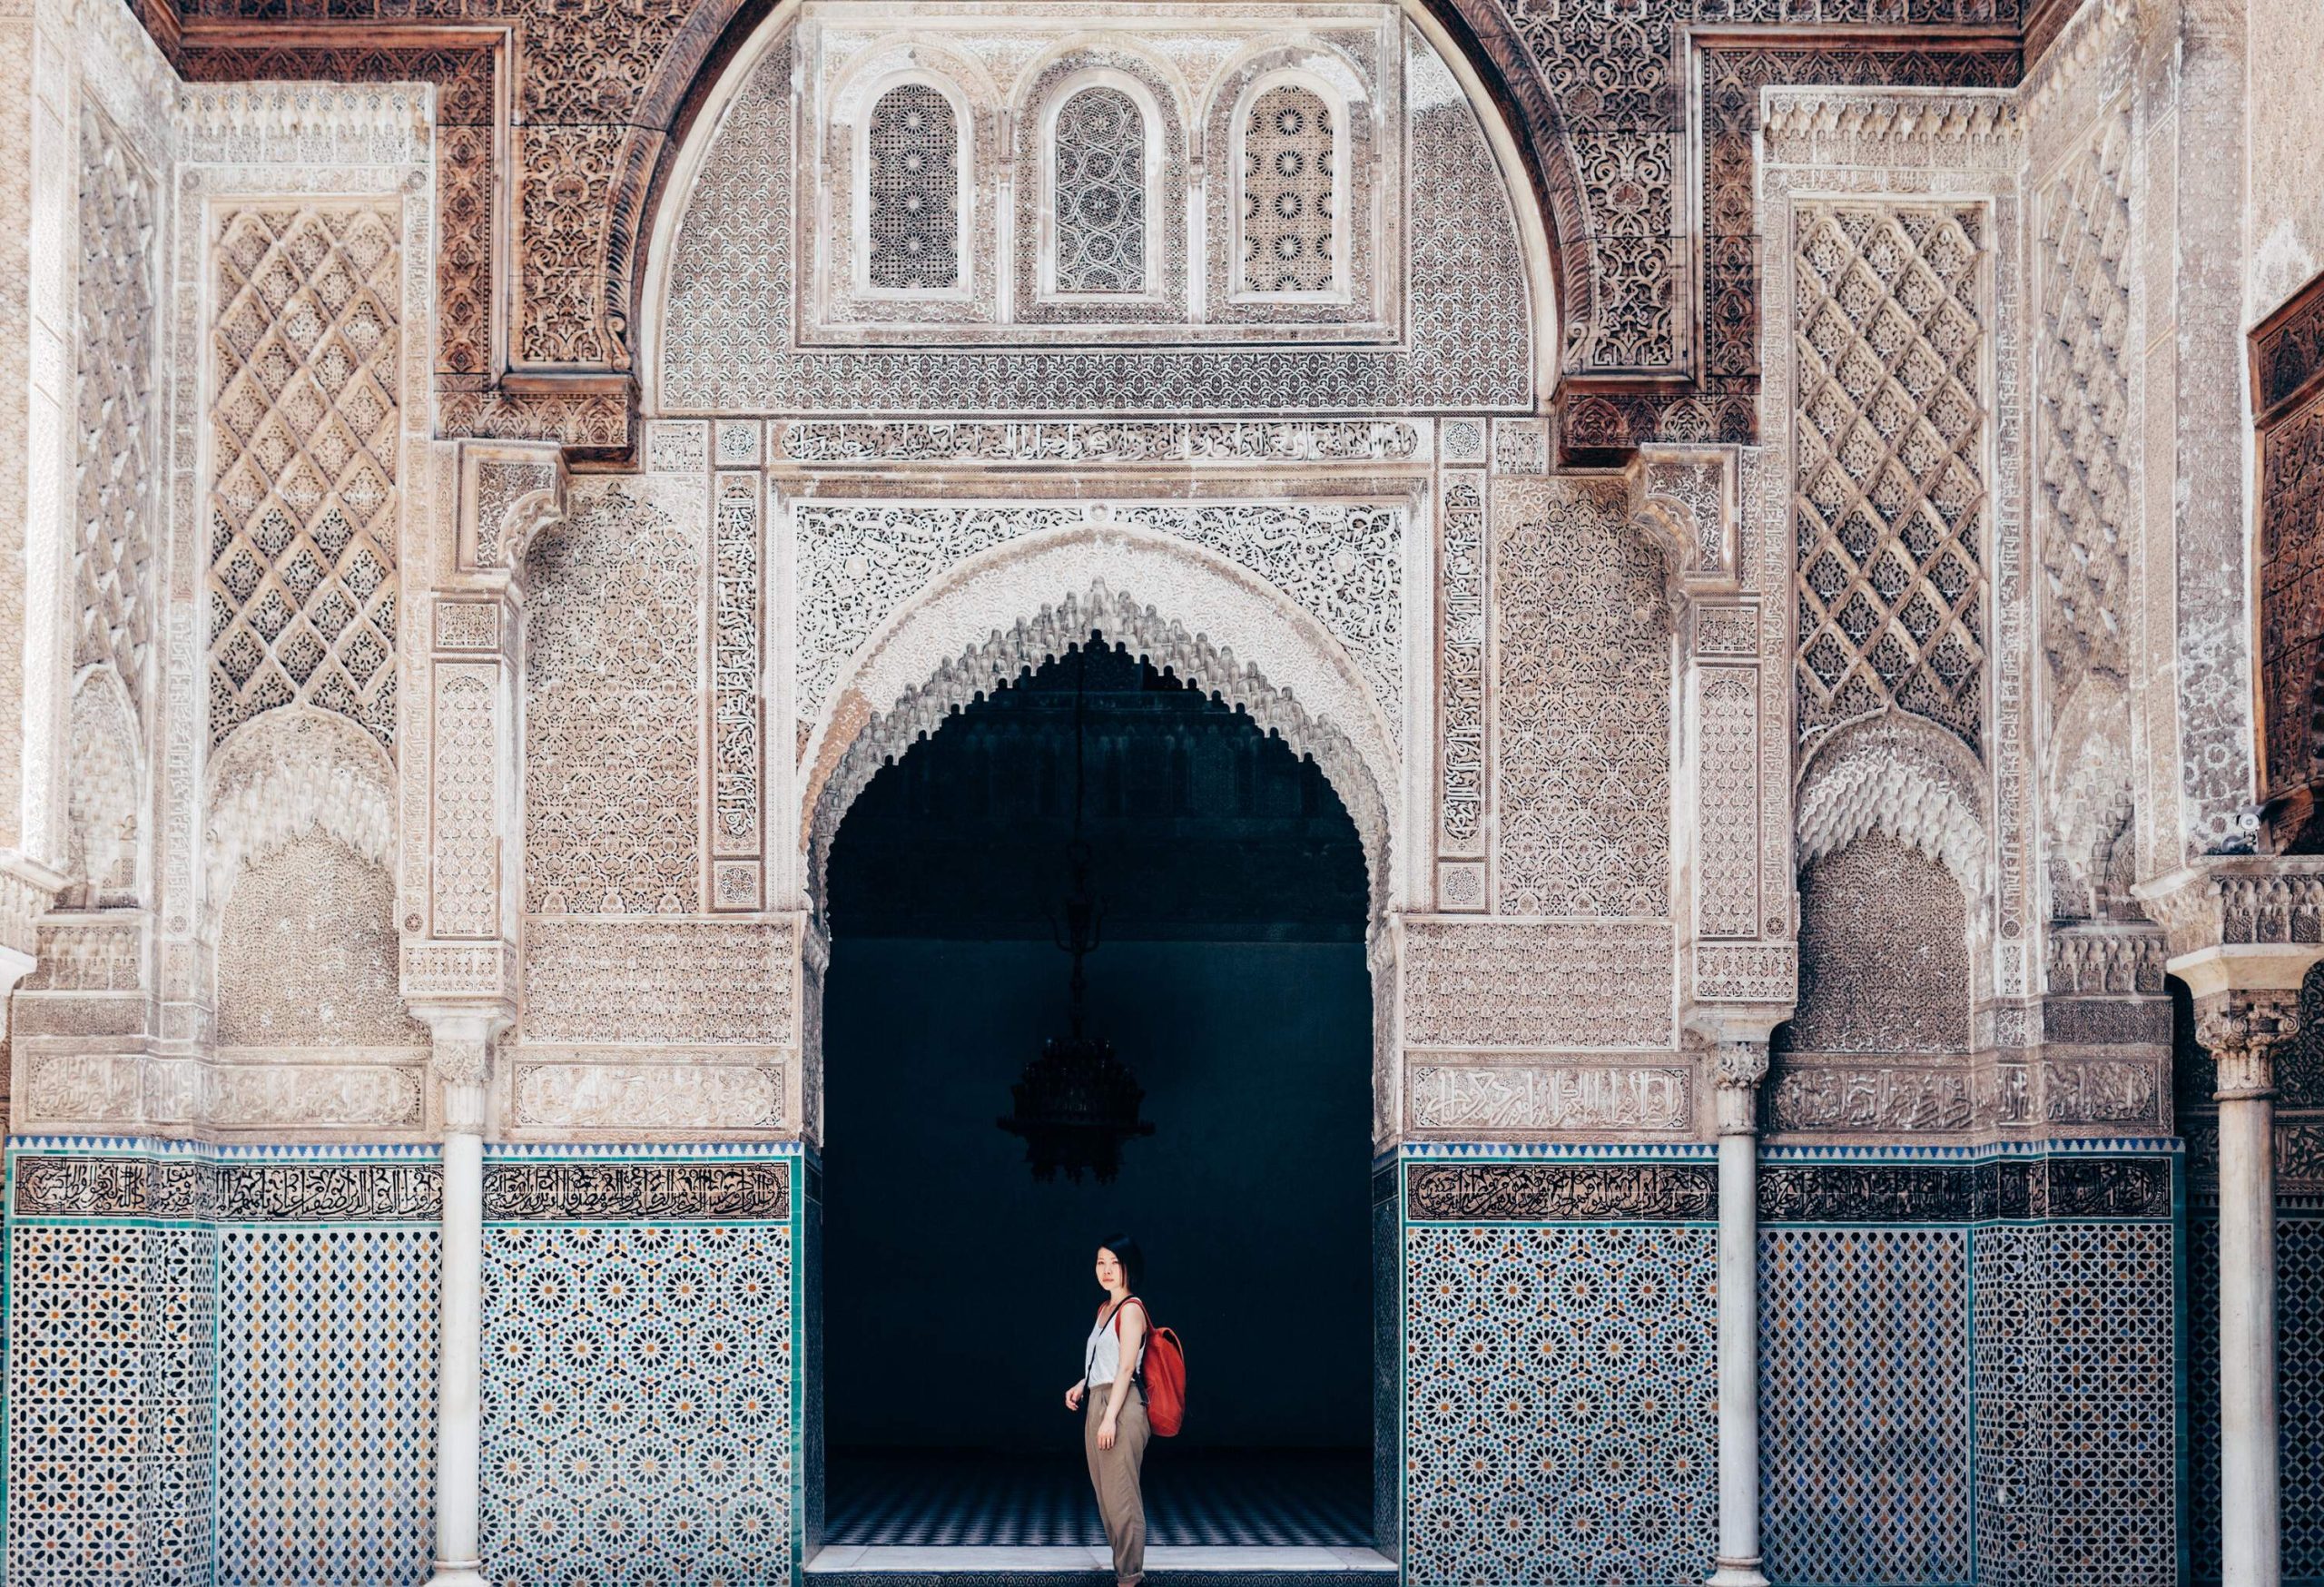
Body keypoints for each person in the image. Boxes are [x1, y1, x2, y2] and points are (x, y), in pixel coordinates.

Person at [1064, 1236, 1150, 1587]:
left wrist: (1110, 1418)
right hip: (1100, 1400)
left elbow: (1126, 1368)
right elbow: (1104, 1361)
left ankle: (1130, 1577)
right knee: (1105, 1496)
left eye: (1114, 1262)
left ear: (1129, 1266)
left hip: (1121, 1404)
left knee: (1121, 1496)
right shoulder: (1104, 1309)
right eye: (1101, 1262)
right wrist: (1083, 1384)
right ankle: (1124, 1572)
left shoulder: (1131, 1309)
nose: (1107, 1270)